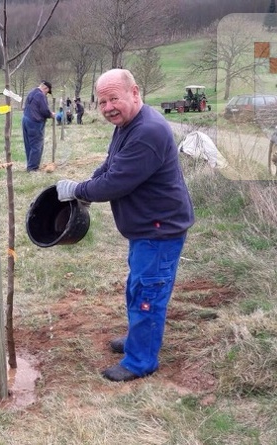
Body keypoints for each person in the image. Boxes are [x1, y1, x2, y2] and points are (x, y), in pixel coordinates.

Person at [55, 69, 194, 382]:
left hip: (160, 230)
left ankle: (140, 361)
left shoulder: (148, 131)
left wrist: (78, 191)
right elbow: (111, 164)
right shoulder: (128, 125)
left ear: (135, 92)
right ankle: (137, 341)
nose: (107, 107)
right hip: (146, 229)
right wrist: (89, 183)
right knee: (137, 288)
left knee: (148, 293)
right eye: (102, 102)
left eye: (113, 98)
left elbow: (116, 182)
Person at [21, 80, 55, 172]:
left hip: (25, 119)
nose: (46, 94)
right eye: (47, 92)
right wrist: (51, 114)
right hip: (35, 122)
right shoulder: (40, 95)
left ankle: (30, 164)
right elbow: (44, 110)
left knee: (29, 144)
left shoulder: (31, 92)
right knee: (36, 145)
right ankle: (33, 168)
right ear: (45, 88)